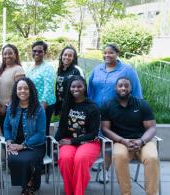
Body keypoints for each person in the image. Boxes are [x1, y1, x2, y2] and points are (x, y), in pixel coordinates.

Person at [87, 43, 143, 182]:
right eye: (105, 53)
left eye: (111, 52)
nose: (107, 55)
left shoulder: (127, 70)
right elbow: (90, 89)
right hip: (96, 111)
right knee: (98, 137)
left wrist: (136, 110)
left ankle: (105, 171)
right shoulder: (97, 69)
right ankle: (101, 162)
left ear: (117, 53)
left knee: (109, 140)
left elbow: (136, 91)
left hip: (117, 112)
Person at [101, 77, 159, 195]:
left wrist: (141, 141)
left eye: (126, 85)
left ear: (131, 88)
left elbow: (152, 127)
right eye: (120, 85)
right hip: (121, 142)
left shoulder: (142, 104)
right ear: (115, 88)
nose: (123, 88)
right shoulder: (108, 105)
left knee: (152, 158)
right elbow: (105, 129)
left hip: (143, 141)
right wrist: (123, 140)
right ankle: (126, 193)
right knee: (119, 156)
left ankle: (152, 193)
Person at [54, 75, 101, 195]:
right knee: (65, 159)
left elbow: (93, 133)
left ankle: (78, 192)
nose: (76, 89)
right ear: (69, 88)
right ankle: (70, 192)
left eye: (79, 86)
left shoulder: (92, 107)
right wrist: (55, 141)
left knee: (80, 159)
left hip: (89, 141)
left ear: (84, 87)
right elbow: (62, 127)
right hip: (68, 140)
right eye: (73, 86)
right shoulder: (67, 104)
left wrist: (72, 142)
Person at [4, 77, 46, 195]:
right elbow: (6, 126)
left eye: (26, 88)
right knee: (13, 159)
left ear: (31, 90)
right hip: (14, 144)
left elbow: (40, 133)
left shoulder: (39, 109)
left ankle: (29, 186)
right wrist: (8, 141)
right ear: (15, 91)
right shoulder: (11, 107)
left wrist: (23, 146)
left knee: (27, 160)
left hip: (35, 145)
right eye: (19, 88)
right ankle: (26, 183)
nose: (22, 91)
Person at [26, 40, 56, 135]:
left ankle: (45, 148)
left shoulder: (47, 68)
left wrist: (43, 106)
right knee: (33, 129)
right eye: (34, 51)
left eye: (40, 51)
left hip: (44, 104)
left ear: (45, 53)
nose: (36, 53)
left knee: (42, 129)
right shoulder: (30, 67)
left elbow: (49, 88)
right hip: (33, 103)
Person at [0, 44, 25, 135]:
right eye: (5, 54)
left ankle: (13, 149)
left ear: (15, 55)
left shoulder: (18, 69)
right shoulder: (0, 70)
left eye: (10, 53)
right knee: (5, 133)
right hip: (0, 108)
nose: (7, 56)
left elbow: (20, 91)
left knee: (13, 135)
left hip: (13, 108)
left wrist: (7, 106)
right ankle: (7, 149)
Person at [55, 46, 84, 115]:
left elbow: (83, 88)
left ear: (73, 58)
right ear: (61, 56)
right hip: (61, 104)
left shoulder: (77, 70)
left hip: (72, 105)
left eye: (70, 55)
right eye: (65, 55)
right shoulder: (60, 70)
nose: (67, 57)